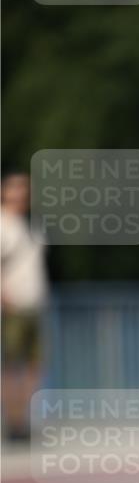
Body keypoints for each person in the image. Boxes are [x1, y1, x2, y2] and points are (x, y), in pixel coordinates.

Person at [1, 171, 48, 441]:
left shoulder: (29, 224)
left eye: (24, 190)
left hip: (34, 303)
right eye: (14, 189)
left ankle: (25, 420)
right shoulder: (3, 224)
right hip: (14, 305)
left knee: (34, 365)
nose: (20, 195)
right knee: (11, 367)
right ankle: (13, 422)